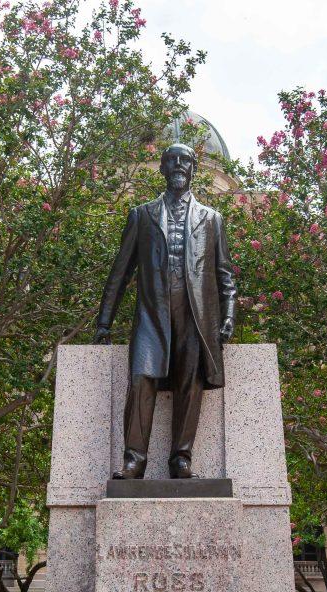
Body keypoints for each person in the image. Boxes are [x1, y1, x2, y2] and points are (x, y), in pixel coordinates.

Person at [92, 143, 237, 479]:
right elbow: (120, 272)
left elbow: (225, 276)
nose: (178, 165)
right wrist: (104, 321)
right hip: (151, 315)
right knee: (141, 379)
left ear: (194, 169)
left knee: (191, 381)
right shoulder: (141, 215)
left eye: (185, 160)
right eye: (171, 160)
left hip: (195, 317)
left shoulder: (212, 220)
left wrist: (228, 316)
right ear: (162, 168)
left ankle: (181, 458)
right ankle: (134, 460)